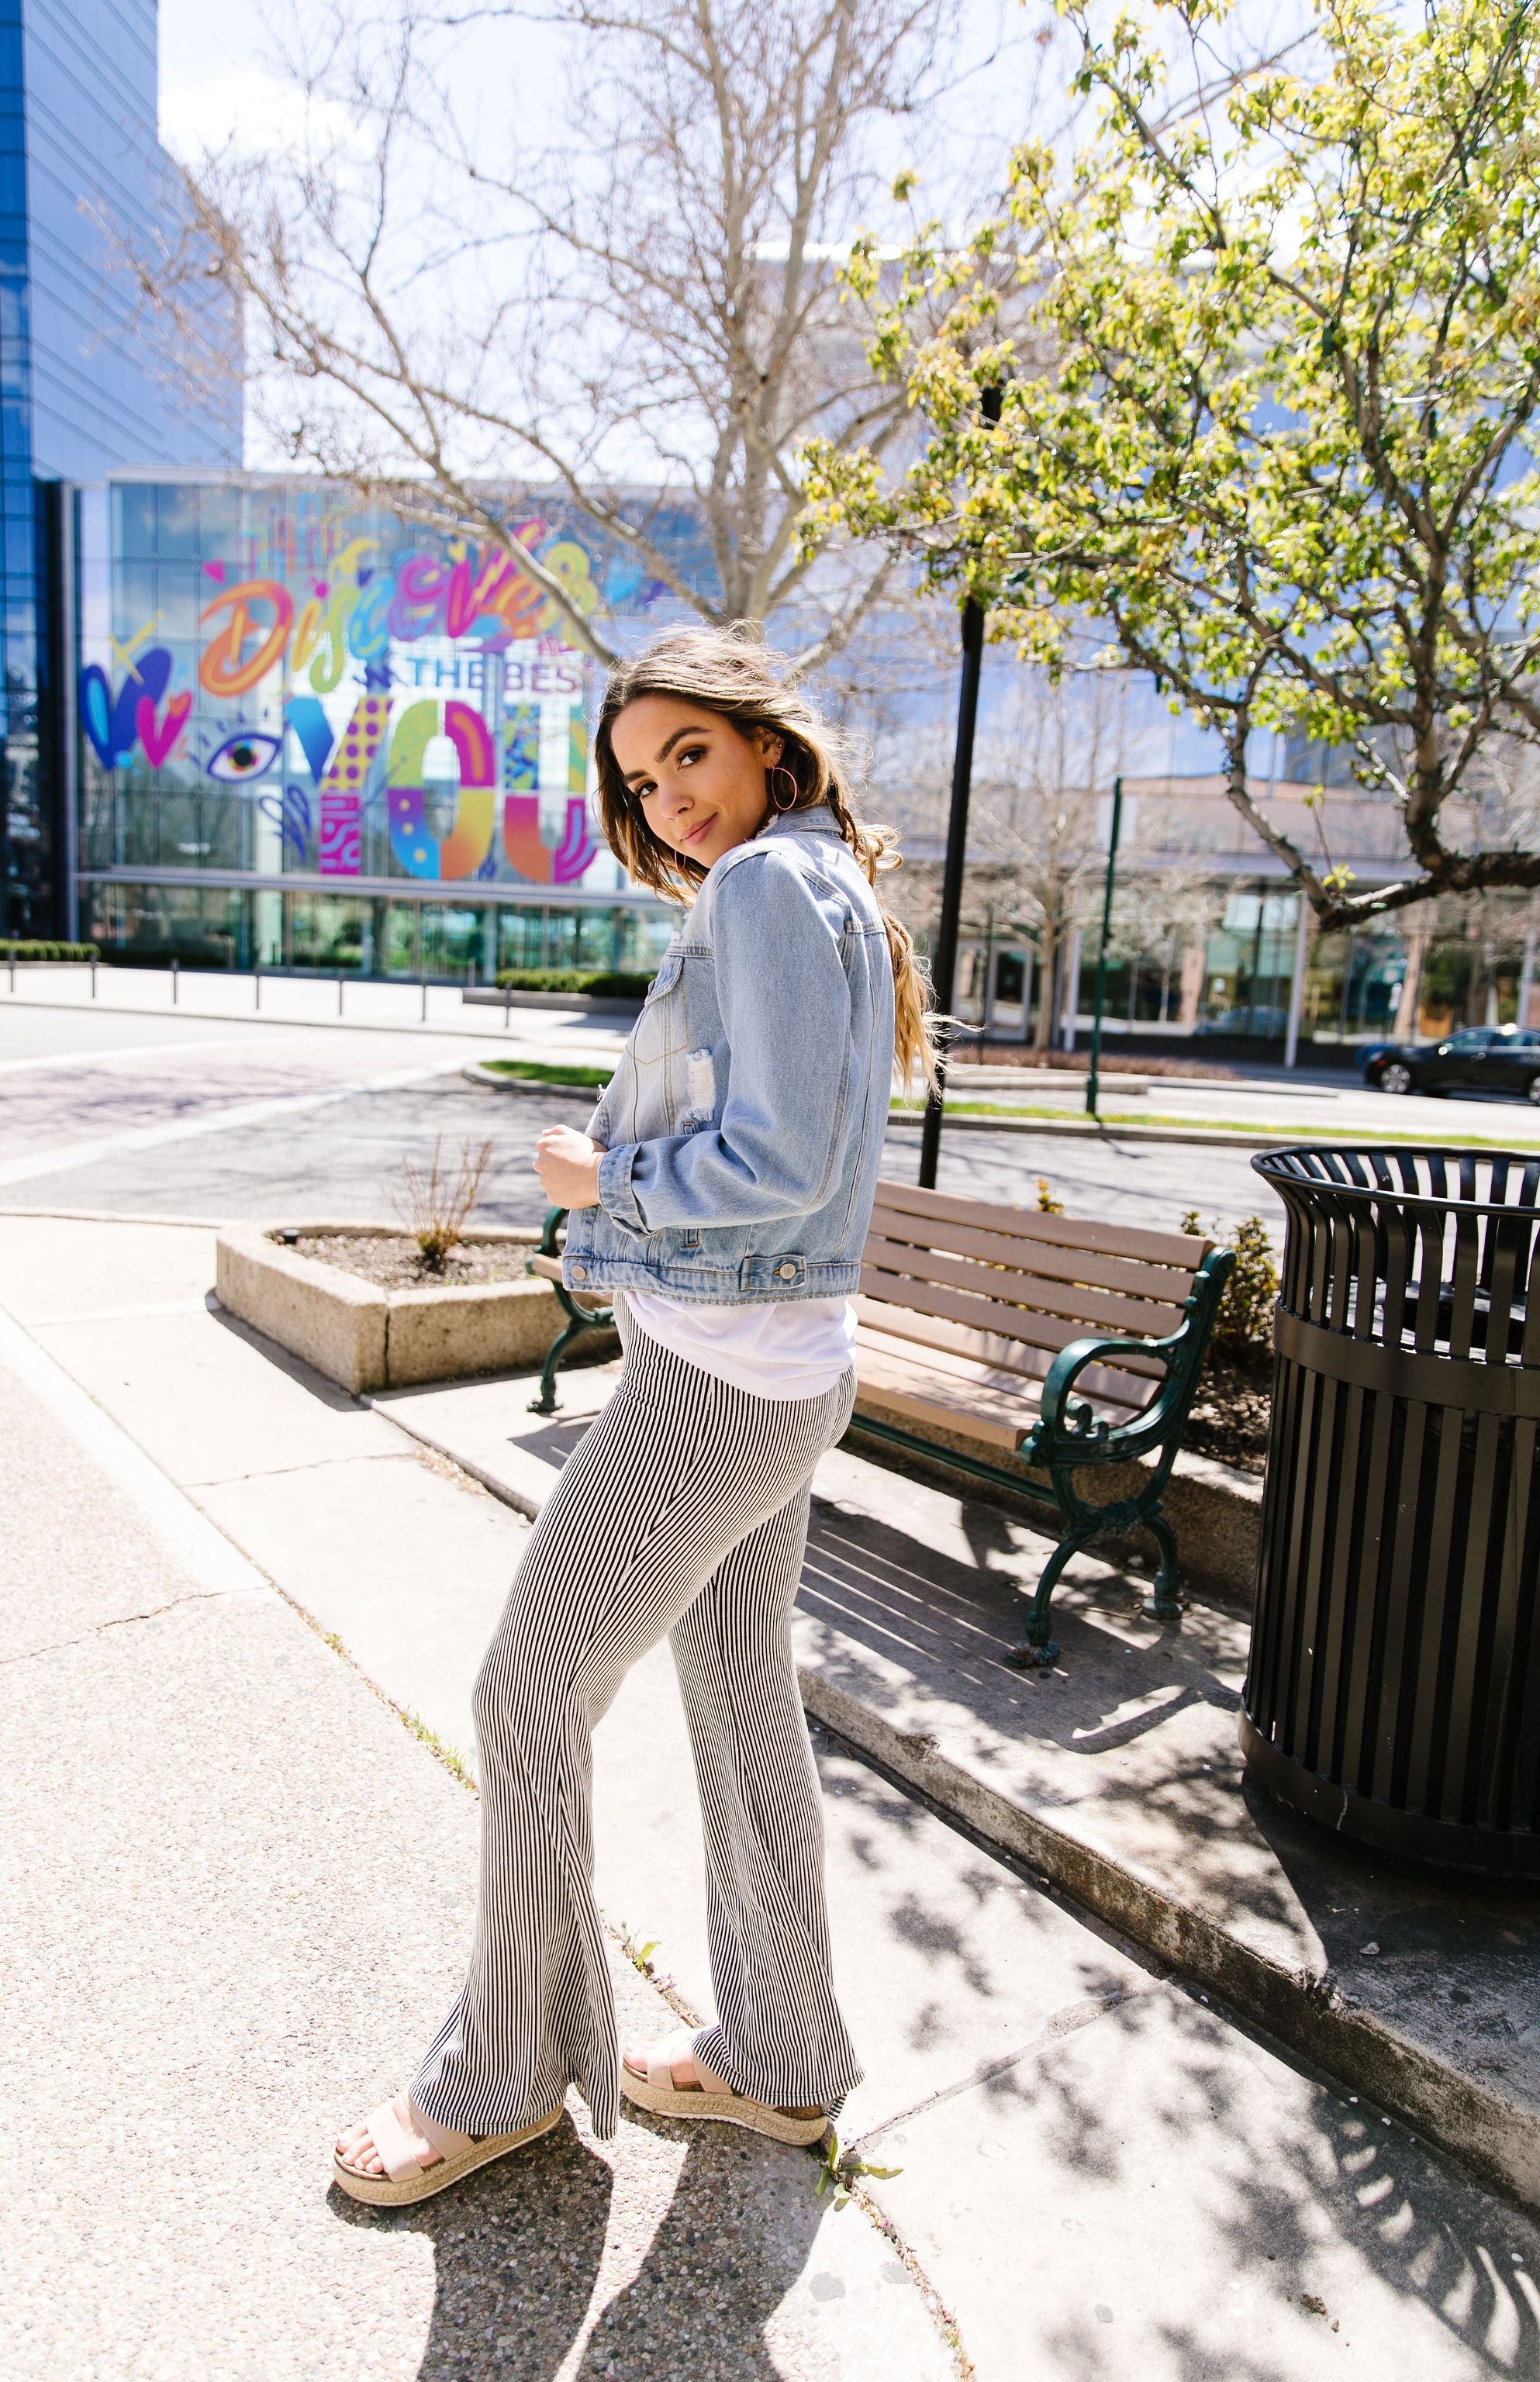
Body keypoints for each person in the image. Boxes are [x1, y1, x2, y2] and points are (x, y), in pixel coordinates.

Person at [333, 623, 935, 2204]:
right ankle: (782, 2062)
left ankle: (504, 2079)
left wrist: (606, 1188)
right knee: (742, 1713)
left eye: (690, 755)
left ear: (763, 745)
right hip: (776, 1375)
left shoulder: (767, 887)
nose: (669, 797)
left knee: (525, 1695)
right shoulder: (821, 886)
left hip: (718, 1387)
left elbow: (779, 1164)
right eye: (638, 777)